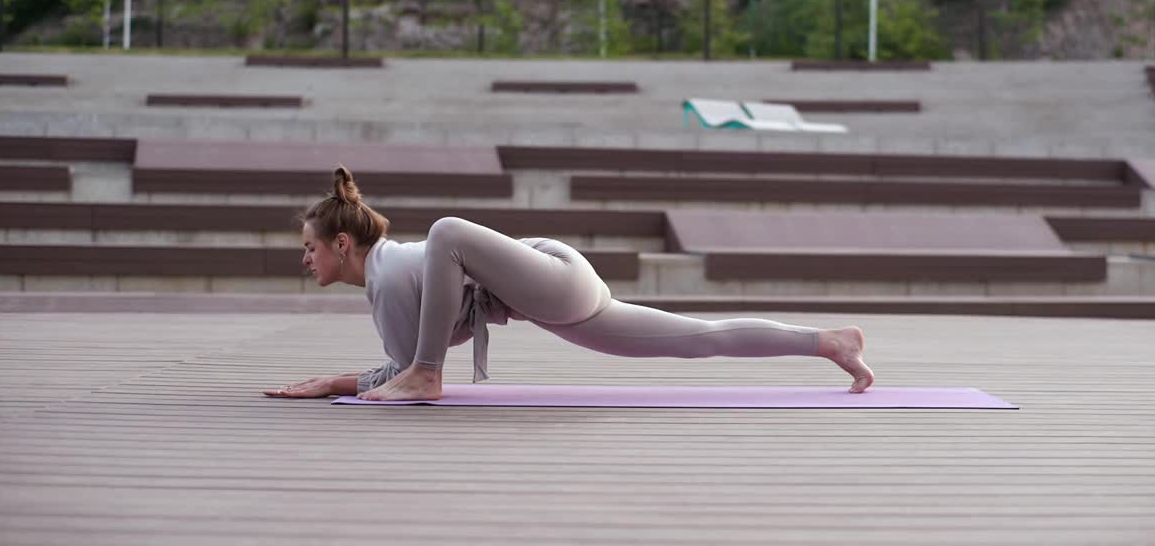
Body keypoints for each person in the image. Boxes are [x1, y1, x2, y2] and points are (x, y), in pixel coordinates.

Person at [264, 167, 874, 402]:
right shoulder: (389, 283)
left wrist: (421, 372)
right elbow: (397, 367)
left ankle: (434, 375)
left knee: (447, 227)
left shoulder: (391, 271)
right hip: (554, 292)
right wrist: (340, 381)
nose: (307, 260)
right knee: (696, 337)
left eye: (311, 247)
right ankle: (829, 342)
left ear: (343, 245)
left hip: (550, 277)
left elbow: (405, 369)